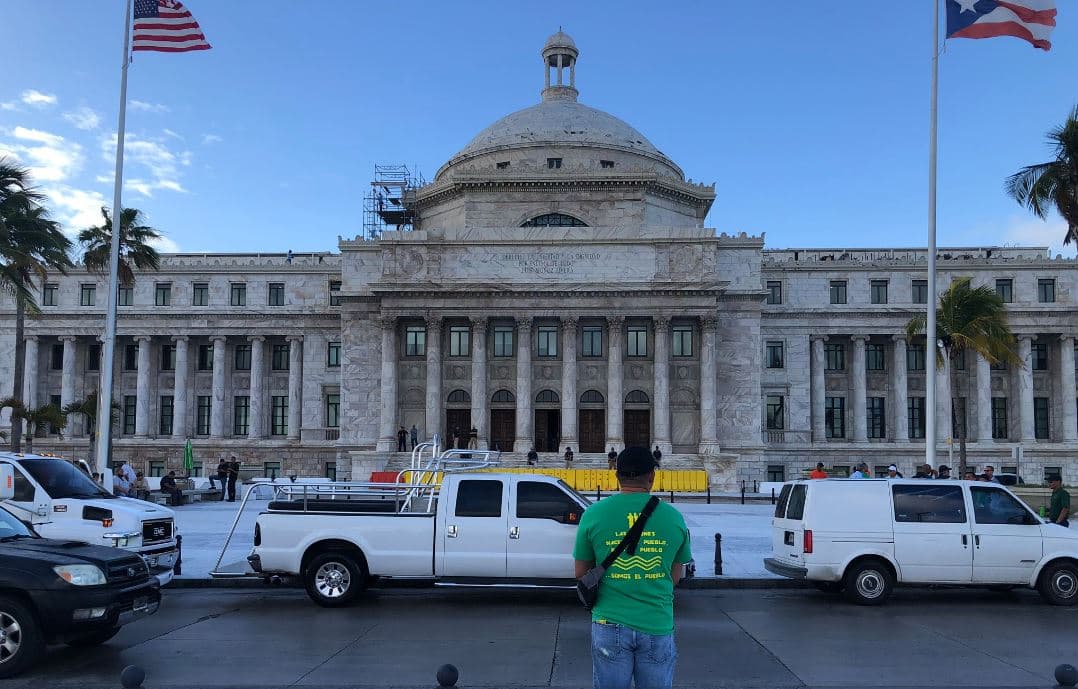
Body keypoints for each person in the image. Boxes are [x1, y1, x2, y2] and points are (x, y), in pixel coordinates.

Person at [574, 447, 692, 689]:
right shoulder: (673, 517)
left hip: (609, 621)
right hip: (657, 622)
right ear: (652, 476)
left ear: (616, 475)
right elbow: (675, 576)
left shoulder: (594, 514)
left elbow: (581, 573)